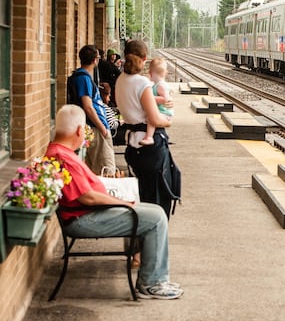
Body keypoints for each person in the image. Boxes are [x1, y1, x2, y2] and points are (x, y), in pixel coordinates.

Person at [47, 105, 183, 300]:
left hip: (87, 213)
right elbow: (88, 197)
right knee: (156, 217)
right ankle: (151, 283)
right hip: (84, 219)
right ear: (79, 131)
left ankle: (154, 278)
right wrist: (122, 202)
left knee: (152, 210)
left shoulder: (59, 151)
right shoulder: (64, 158)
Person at [115, 39, 181, 217]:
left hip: (133, 144)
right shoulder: (142, 84)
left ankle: (142, 241)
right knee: (158, 202)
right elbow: (155, 119)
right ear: (144, 59)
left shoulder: (120, 81)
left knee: (143, 196)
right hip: (150, 147)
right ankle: (154, 239)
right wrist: (168, 121)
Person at [69, 45, 117, 176]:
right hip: (95, 127)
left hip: (94, 126)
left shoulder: (83, 76)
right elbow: (88, 106)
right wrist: (102, 128)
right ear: (95, 60)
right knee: (106, 168)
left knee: (94, 169)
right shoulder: (83, 78)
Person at [140, 58, 174, 147]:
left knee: (152, 119)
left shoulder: (160, 85)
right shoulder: (157, 85)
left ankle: (149, 137)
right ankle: (149, 136)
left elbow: (165, 99)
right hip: (162, 112)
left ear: (150, 73)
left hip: (164, 113)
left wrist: (151, 98)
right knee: (151, 118)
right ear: (165, 73)